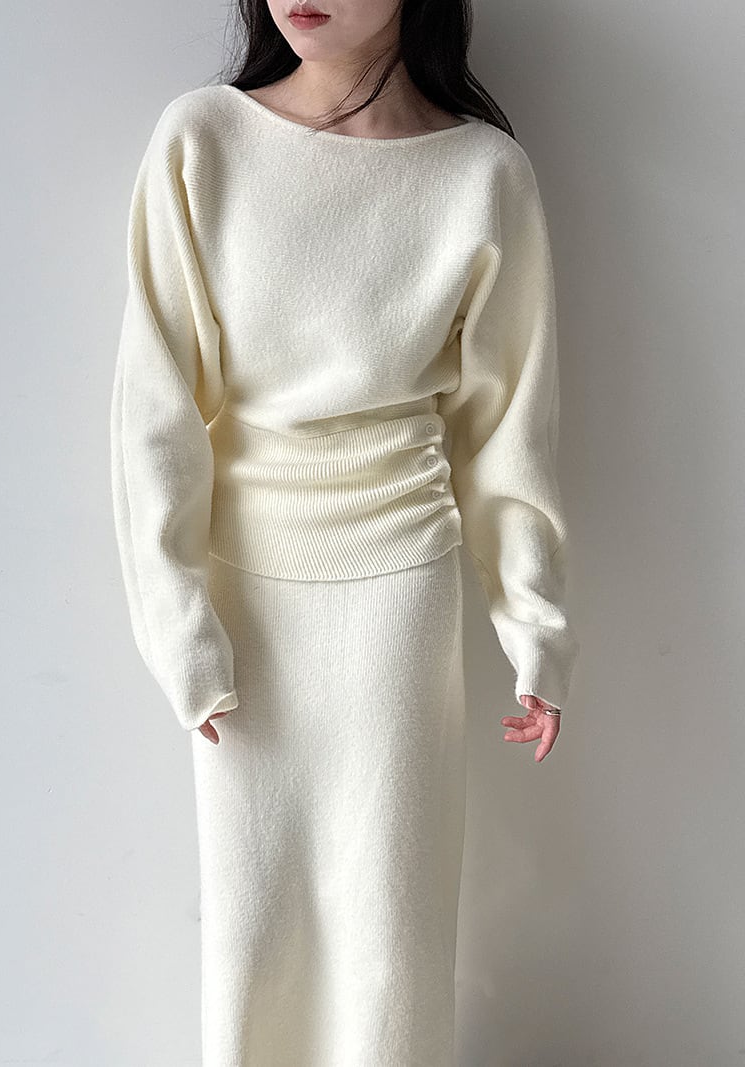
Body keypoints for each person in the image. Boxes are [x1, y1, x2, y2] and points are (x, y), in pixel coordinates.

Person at [109, 0, 580, 1062]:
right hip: (242, 599)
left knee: (389, 930)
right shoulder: (201, 140)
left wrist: (535, 625)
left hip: (399, 590)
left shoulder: (482, 174)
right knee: (254, 925)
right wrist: (180, 628)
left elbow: (508, 428)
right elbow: (154, 414)